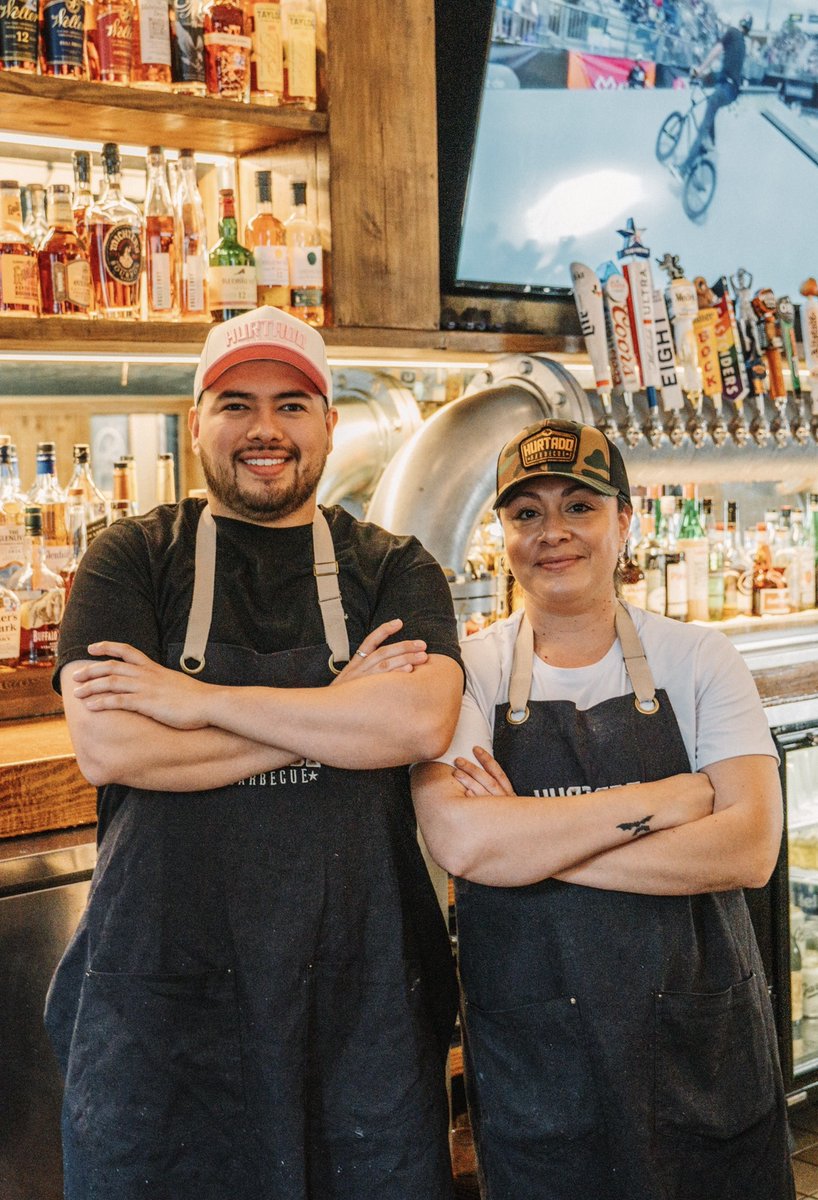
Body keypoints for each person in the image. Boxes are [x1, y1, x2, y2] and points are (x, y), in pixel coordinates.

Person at [45, 305, 465, 1200]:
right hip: (165, 1006)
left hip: (360, 1005)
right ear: (195, 419)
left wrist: (195, 704)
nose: (264, 430)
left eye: (291, 404)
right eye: (236, 404)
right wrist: (336, 710)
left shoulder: (396, 568)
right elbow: (113, 746)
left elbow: (417, 724)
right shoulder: (129, 559)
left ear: (329, 424)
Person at [412, 418, 793, 1200]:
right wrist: (671, 802)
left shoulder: (699, 659)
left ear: (626, 520)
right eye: (526, 514)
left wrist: (532, 845)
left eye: (579, 507)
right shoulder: (468, 675)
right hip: (541, 1058)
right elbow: (464, 842)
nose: (553, 533)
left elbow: (749, 847)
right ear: (503, 532)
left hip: (697, 1043)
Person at [681, 14, 751, 173]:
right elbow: (725, 71)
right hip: (731, 91)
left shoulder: (732, 32)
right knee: (712, 108)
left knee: (706, 117)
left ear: (739, 24)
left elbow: (715, 52)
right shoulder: (742, 44)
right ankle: (709, 146)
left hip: (726, 87)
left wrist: (700, 69)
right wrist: (705, 77)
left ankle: (684, 167)